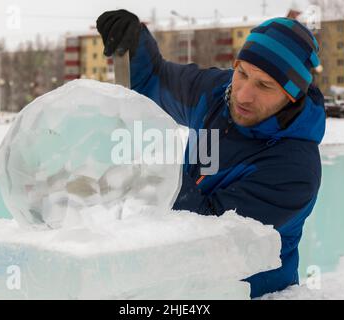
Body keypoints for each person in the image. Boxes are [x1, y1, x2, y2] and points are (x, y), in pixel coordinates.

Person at [96, 9, 326, 298]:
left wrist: (150, 175)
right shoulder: (217, 93)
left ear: (291, 96)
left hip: (248, 290)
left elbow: (210, 234)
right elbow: (153, 80)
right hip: (181, 277)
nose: (243, 95)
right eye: (242, 73)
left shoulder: (294, 170)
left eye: (264, 85)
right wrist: (133, 41)